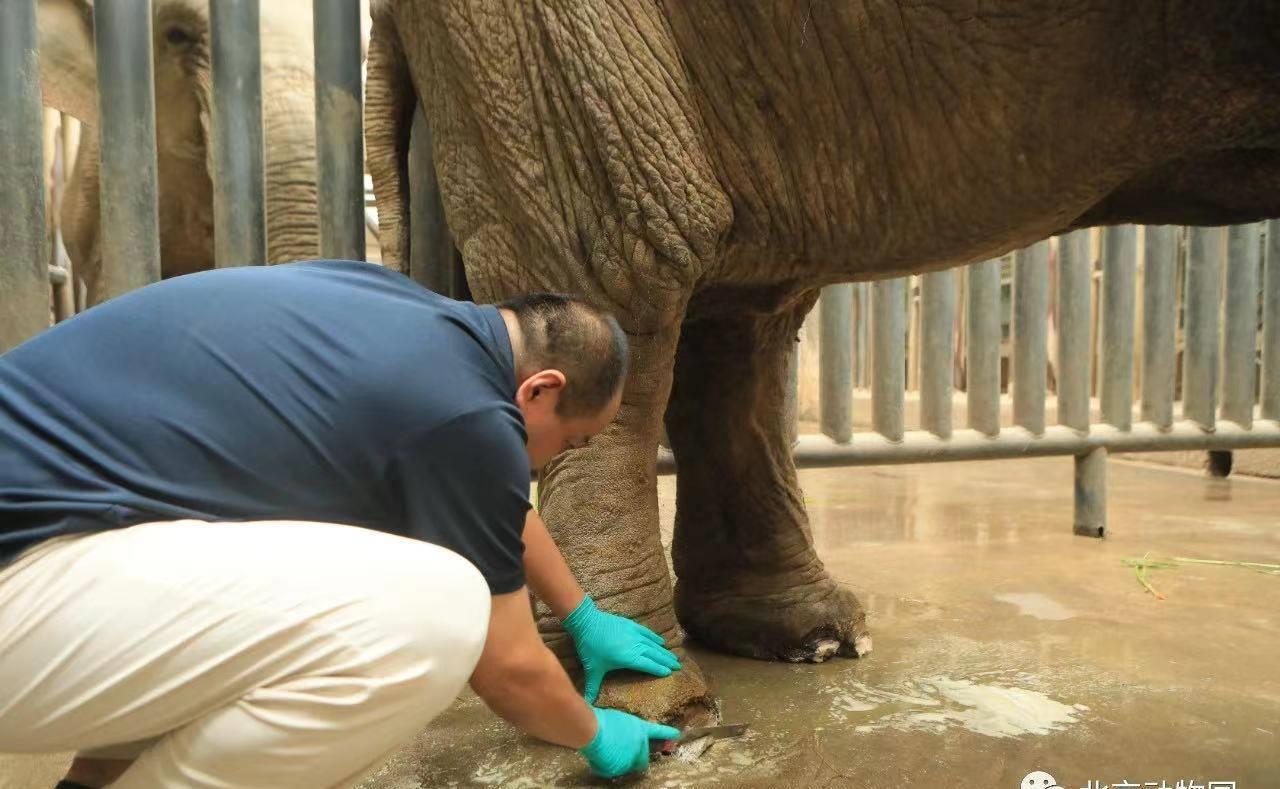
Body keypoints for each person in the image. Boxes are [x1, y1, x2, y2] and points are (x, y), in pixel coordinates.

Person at [0, 260, 681, 787]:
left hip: (52, 539)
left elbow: (490, 503)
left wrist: (581, 612)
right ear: (542, 389)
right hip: (23, 581)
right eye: (567, 443)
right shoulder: (467, 418)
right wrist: (593, 732)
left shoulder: (408, 318)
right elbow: (508, 668)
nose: (549, 463)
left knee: (255, 615)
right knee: (437, 612)